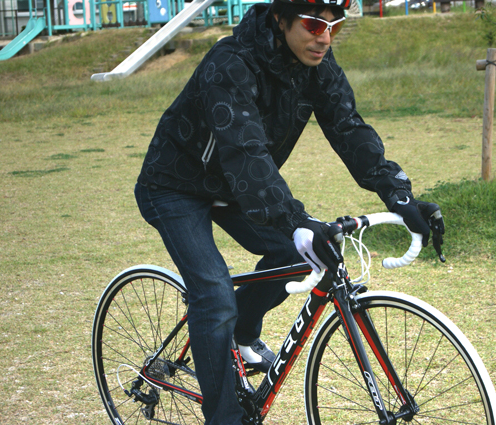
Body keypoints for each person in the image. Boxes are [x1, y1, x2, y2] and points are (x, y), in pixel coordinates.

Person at [134, 0, 445, 423]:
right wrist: (295, 220)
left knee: (297, 255)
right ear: (280, 18)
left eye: (335, 25)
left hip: (235, 186)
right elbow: (245, 151)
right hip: (174, 185)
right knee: (214, 294)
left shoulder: (315, 63)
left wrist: (400, 196)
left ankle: (241, 333)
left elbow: (349, 128)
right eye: (315, 24)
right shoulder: (231, 61)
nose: (325, 37)